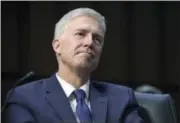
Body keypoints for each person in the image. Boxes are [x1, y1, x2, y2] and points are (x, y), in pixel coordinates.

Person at [5, 8, 144, 123]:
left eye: (97, 39)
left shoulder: (122, 98)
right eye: (80, 34)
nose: (89, 43)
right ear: (57, 46)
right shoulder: (25, 98)